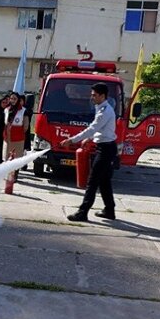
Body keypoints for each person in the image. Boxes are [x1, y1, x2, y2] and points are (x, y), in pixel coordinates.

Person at [60, 83, 117, 222]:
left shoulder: (105, 111)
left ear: (102, 96)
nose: (91, 97)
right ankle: (109, 210)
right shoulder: (101, 108)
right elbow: (99, 130)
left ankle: (83, 212)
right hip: (105, 147)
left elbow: (92, 128)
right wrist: (88, 139)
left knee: (92, 181)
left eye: (94, 95)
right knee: (104, 181)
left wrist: (72, 140)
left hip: (106, 149)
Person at [3, 92, 29, 163]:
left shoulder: (23, 111)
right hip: (7, 138)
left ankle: (14, 173)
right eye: (11, 98)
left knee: (16, 160)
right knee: (7, 159)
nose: (13, 100)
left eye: (15, 99)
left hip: (18, 138)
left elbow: (25, 126)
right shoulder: (6, 110)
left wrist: (18, 132)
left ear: (18, 100)